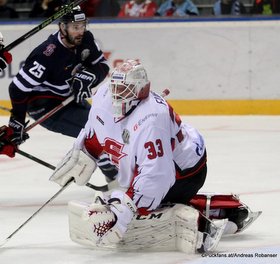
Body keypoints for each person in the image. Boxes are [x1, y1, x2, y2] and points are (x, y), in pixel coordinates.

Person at [49, 60, 261, 252]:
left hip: (184, 172)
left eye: (124, 89)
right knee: (129, 201)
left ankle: (219, 216)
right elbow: (98, 127)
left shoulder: (151, 119)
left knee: (142, 211)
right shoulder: (105, 94)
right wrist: (87, 151)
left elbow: (158, 174)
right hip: (155, 166)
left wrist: (125, 209)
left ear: (141, 90)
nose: (117, 94)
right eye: (115, 87)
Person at [0, 6, 117, 181]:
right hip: (46, 107)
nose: (80, 31)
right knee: (95, 131)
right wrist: (16, 121)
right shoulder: (47, 54)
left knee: (103, 127)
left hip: (68, 98)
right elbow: (17, 88)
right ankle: (115, 178)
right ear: (62, 27)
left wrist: (91, 76)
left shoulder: (86, 39)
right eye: (74, 27)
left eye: (82, 26)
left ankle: (114, 173)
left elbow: (102, 66)